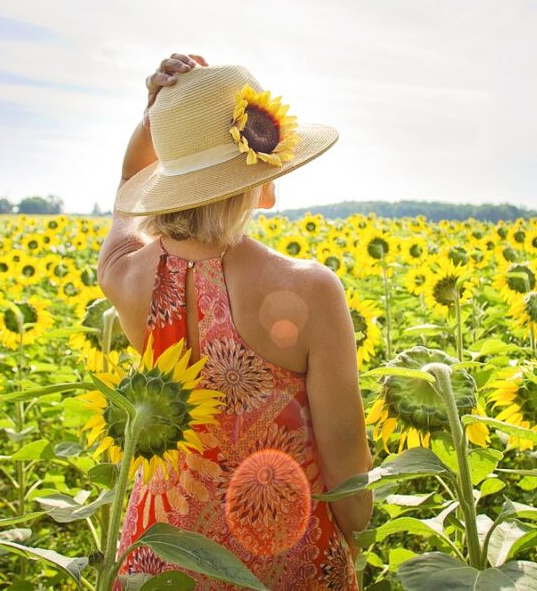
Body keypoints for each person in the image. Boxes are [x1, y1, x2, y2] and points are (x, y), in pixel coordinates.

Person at [97, 53, 372, 589]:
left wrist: (156, 119)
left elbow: (126, 190)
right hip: (281, 553)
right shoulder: (310, 289)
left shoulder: (126, 276)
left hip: (159, 557)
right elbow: (347, 470)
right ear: (258, 172)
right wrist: (356, 543)